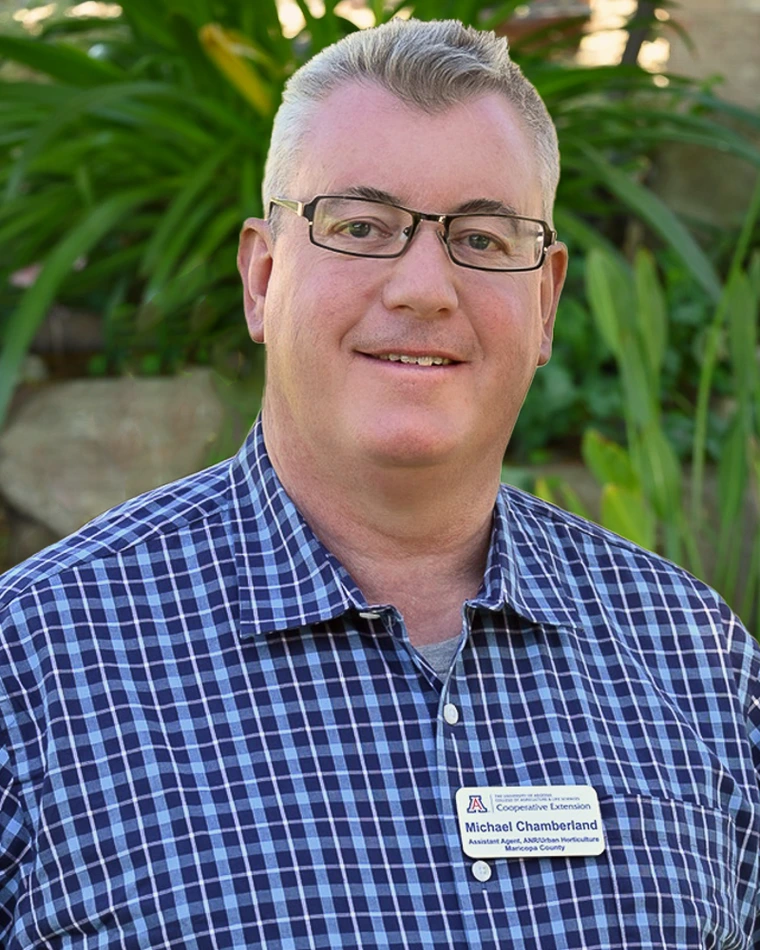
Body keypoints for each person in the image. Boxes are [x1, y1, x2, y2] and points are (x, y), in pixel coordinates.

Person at [0, 16, 758, 950]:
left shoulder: (695, 661)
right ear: (262, 277)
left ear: (548, 300)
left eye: (483, 238)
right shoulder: (34, 667)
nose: (425, 288)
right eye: (361, 227)